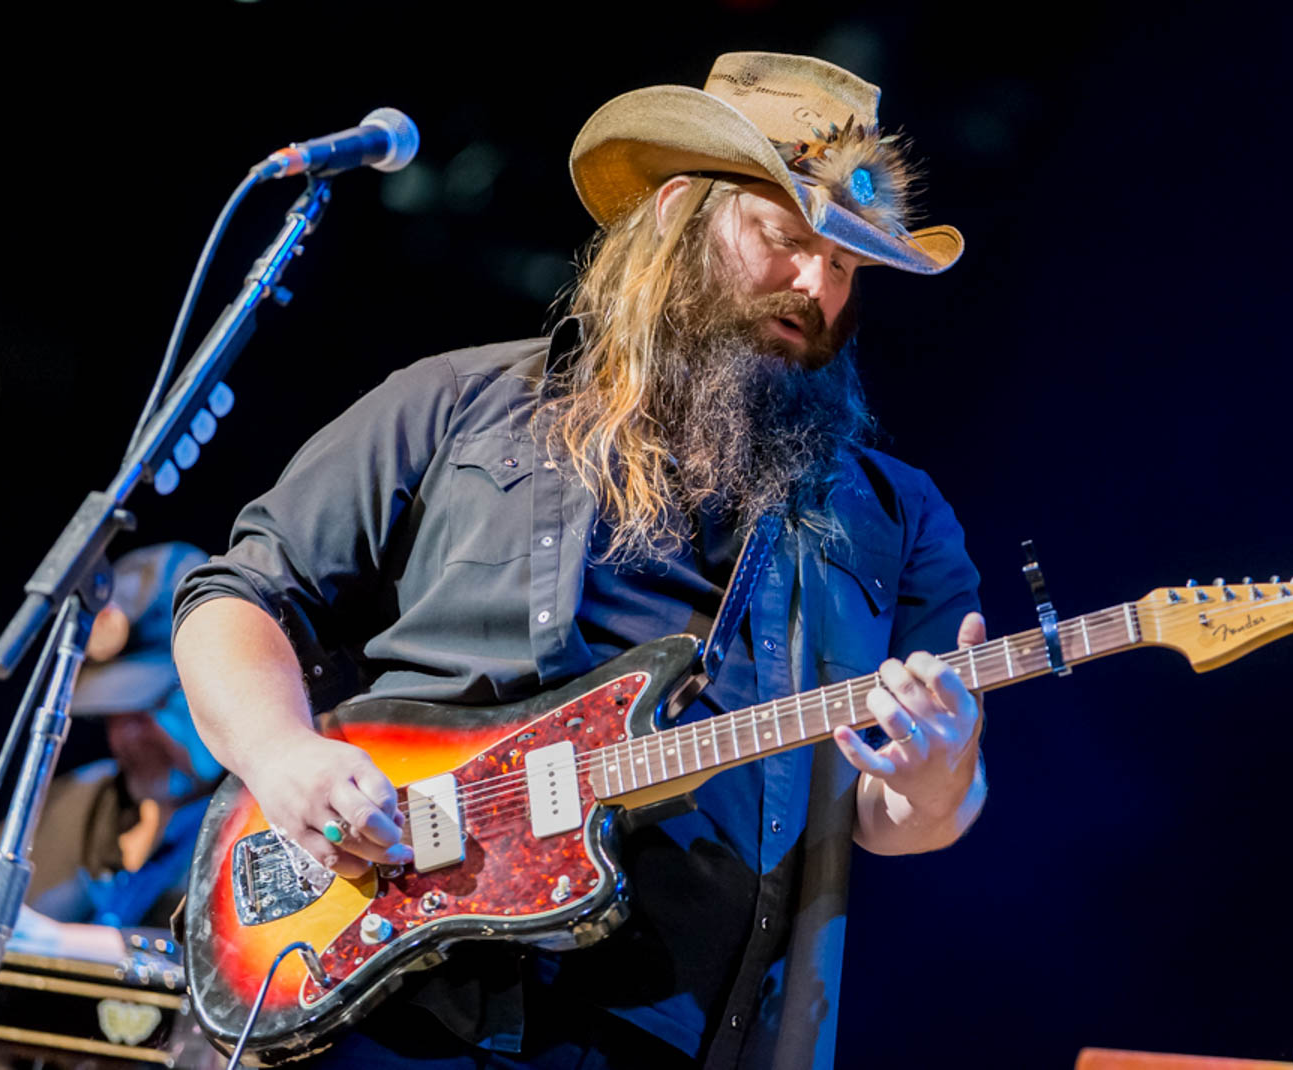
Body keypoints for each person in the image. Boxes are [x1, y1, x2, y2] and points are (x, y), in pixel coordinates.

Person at [172, 52, 987, 1068]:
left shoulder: (893, 519)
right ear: (679, 215)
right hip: (393, 1002)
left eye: (848, 267)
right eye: (787, 239)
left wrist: (937, 775)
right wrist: (280, 753)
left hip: (665, 1035)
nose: (819, 287)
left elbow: (900, 812)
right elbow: (238, 593)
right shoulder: (459, 402)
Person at [0, 542, 222, 963]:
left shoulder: (268, 822)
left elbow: (245, 966)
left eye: (152, 704)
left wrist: (59, 942)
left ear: (215, 684)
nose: (127, 733)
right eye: (113, 712)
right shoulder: (69, 800)